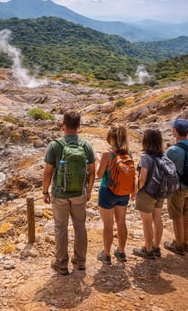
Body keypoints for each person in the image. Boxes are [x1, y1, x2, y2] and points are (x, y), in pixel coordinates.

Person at [42, 110, 95, 275]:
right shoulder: (86, 145)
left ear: (63, 125)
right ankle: (80, 262)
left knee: (60, 227)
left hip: (60, 194)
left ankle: (61, 263)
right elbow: (92, 171)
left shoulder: (55, 145)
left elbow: (48, 172)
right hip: (80, 192)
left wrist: (45, 191)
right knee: (80, 226)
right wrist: (89, 191)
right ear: (79, 126)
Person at [96, 125, 135, 265]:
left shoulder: (107, 154)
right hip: (123, 192)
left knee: (108, 225)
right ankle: (122, 252)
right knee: (121, 222)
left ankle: (106, 255)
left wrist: (99, 161)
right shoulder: (128, 154)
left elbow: (99, 174)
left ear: (110, 138)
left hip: (107, 191)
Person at [132, 128, 165, 259]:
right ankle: (156, 247)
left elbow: (142, 179)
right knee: (157, 219)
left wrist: (135, 191)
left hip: (147, 193)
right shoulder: (163, 155)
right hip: (160, 192)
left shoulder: (145, 157)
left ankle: (148, 250)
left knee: (146, 222)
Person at [164, 118, 188, 256]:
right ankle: (186, 244)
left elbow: (162, 166)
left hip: (178, 188)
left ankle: (178, 245)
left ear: (175, 131)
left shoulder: (173, 150)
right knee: (186, 214)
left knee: (176, 216)